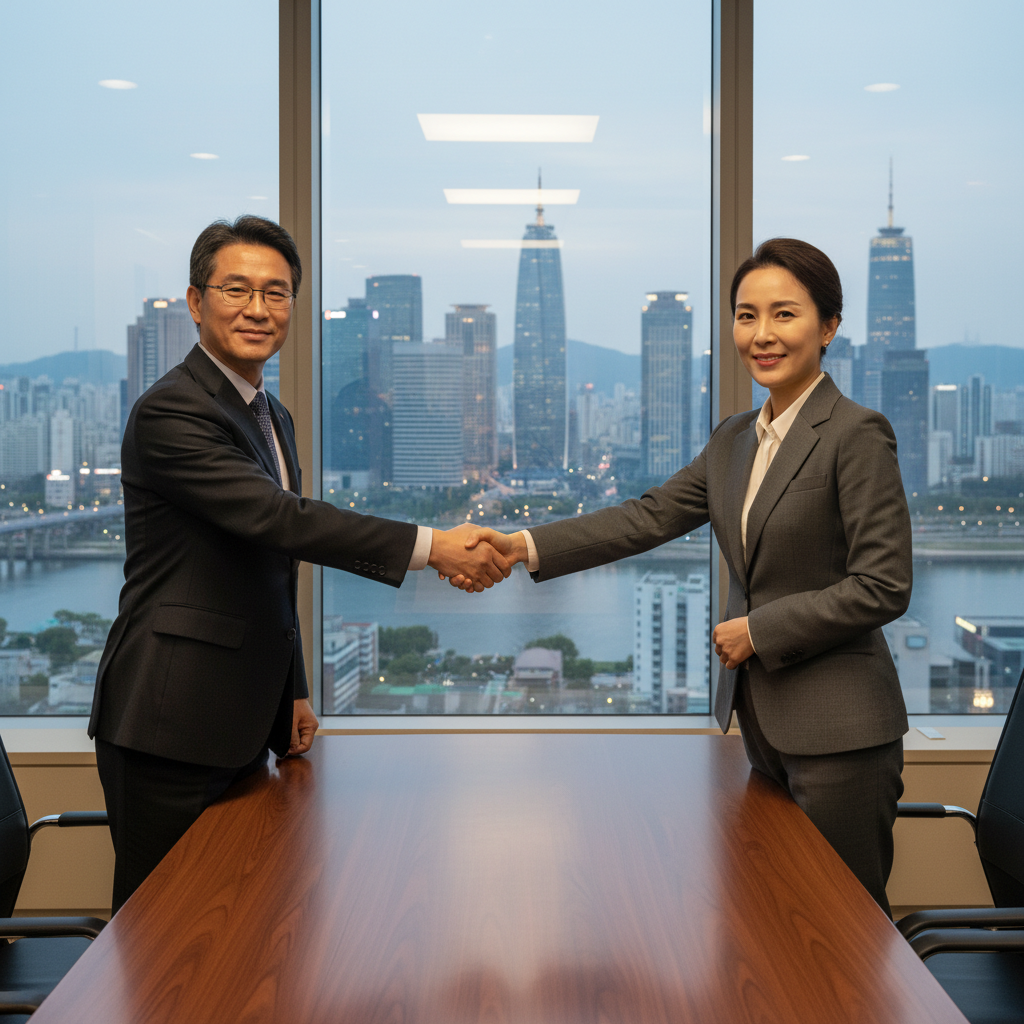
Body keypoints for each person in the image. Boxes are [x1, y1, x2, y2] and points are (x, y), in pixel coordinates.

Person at [455, 238, 912, 914]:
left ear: (828, 327)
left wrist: (759, 631)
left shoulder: (856, 433)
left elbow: (883, 584)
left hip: (842, 733)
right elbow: (645, 518)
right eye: (746, 315)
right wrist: (521, 544)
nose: (762, 334)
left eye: (784, 314)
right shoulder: (734, 440)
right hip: (764, 727)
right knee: (773, 917)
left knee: (843, 928)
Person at [90, 215, 510, 913]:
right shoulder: (172, 412)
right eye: (236, 290)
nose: (258, 309)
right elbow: (281, 519)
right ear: (195, 302)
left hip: (240, 721)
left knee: (238, 925)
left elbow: (272, 566)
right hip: (169, 722)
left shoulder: (270, 415)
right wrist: (433, 546)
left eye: (276, 293)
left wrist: (293, 689)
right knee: (161, 933)